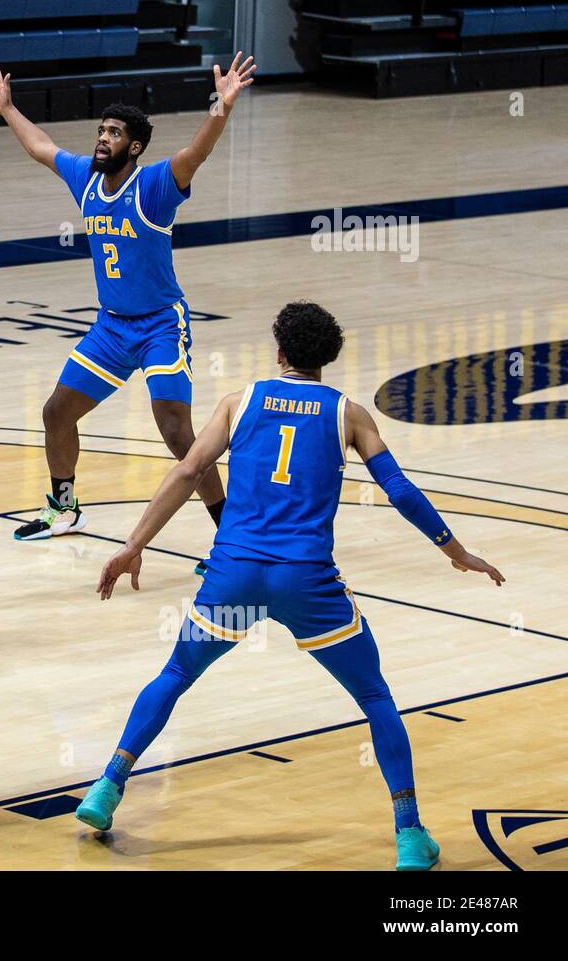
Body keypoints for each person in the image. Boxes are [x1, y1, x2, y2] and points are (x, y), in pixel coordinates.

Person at [76, 301, 505, 871]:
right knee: (375, 697)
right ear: (327, 358)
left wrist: (134, 545)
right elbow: (398, 489)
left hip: (235, 575)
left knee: (175, 675)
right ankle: (409, 836)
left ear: (279, 351)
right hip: (307, 580)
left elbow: (187, 472)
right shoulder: (349, 415)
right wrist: (455, 551)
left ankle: (106, 788)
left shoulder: (240, 401)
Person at [0, 55, 257, 554]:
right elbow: (42, 148)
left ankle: (232, 539)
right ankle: (64, 509)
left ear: (133, 146)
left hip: (159, 327)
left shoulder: (152, 186)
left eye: (113, 132)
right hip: (111, 328)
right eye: (101, 129)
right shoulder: (86, 178)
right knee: (56, 414)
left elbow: (196, 153)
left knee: (176, 431)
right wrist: (5, 108)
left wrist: (223, 104)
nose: (102, 138)